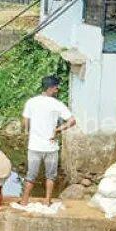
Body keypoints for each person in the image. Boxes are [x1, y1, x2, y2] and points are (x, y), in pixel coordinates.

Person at [21, 76, 75, 206]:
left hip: (34, 146)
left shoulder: (31, 102)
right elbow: (72, 120)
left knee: (31, 176)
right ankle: (47, 200)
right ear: (51, 88)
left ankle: (24, 201)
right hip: (51, 147)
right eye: (56, 87)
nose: (57, 89)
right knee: (50, 176)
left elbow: (25, 121)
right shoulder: (57, 104)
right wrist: (57, 130)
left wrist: (28, 131)